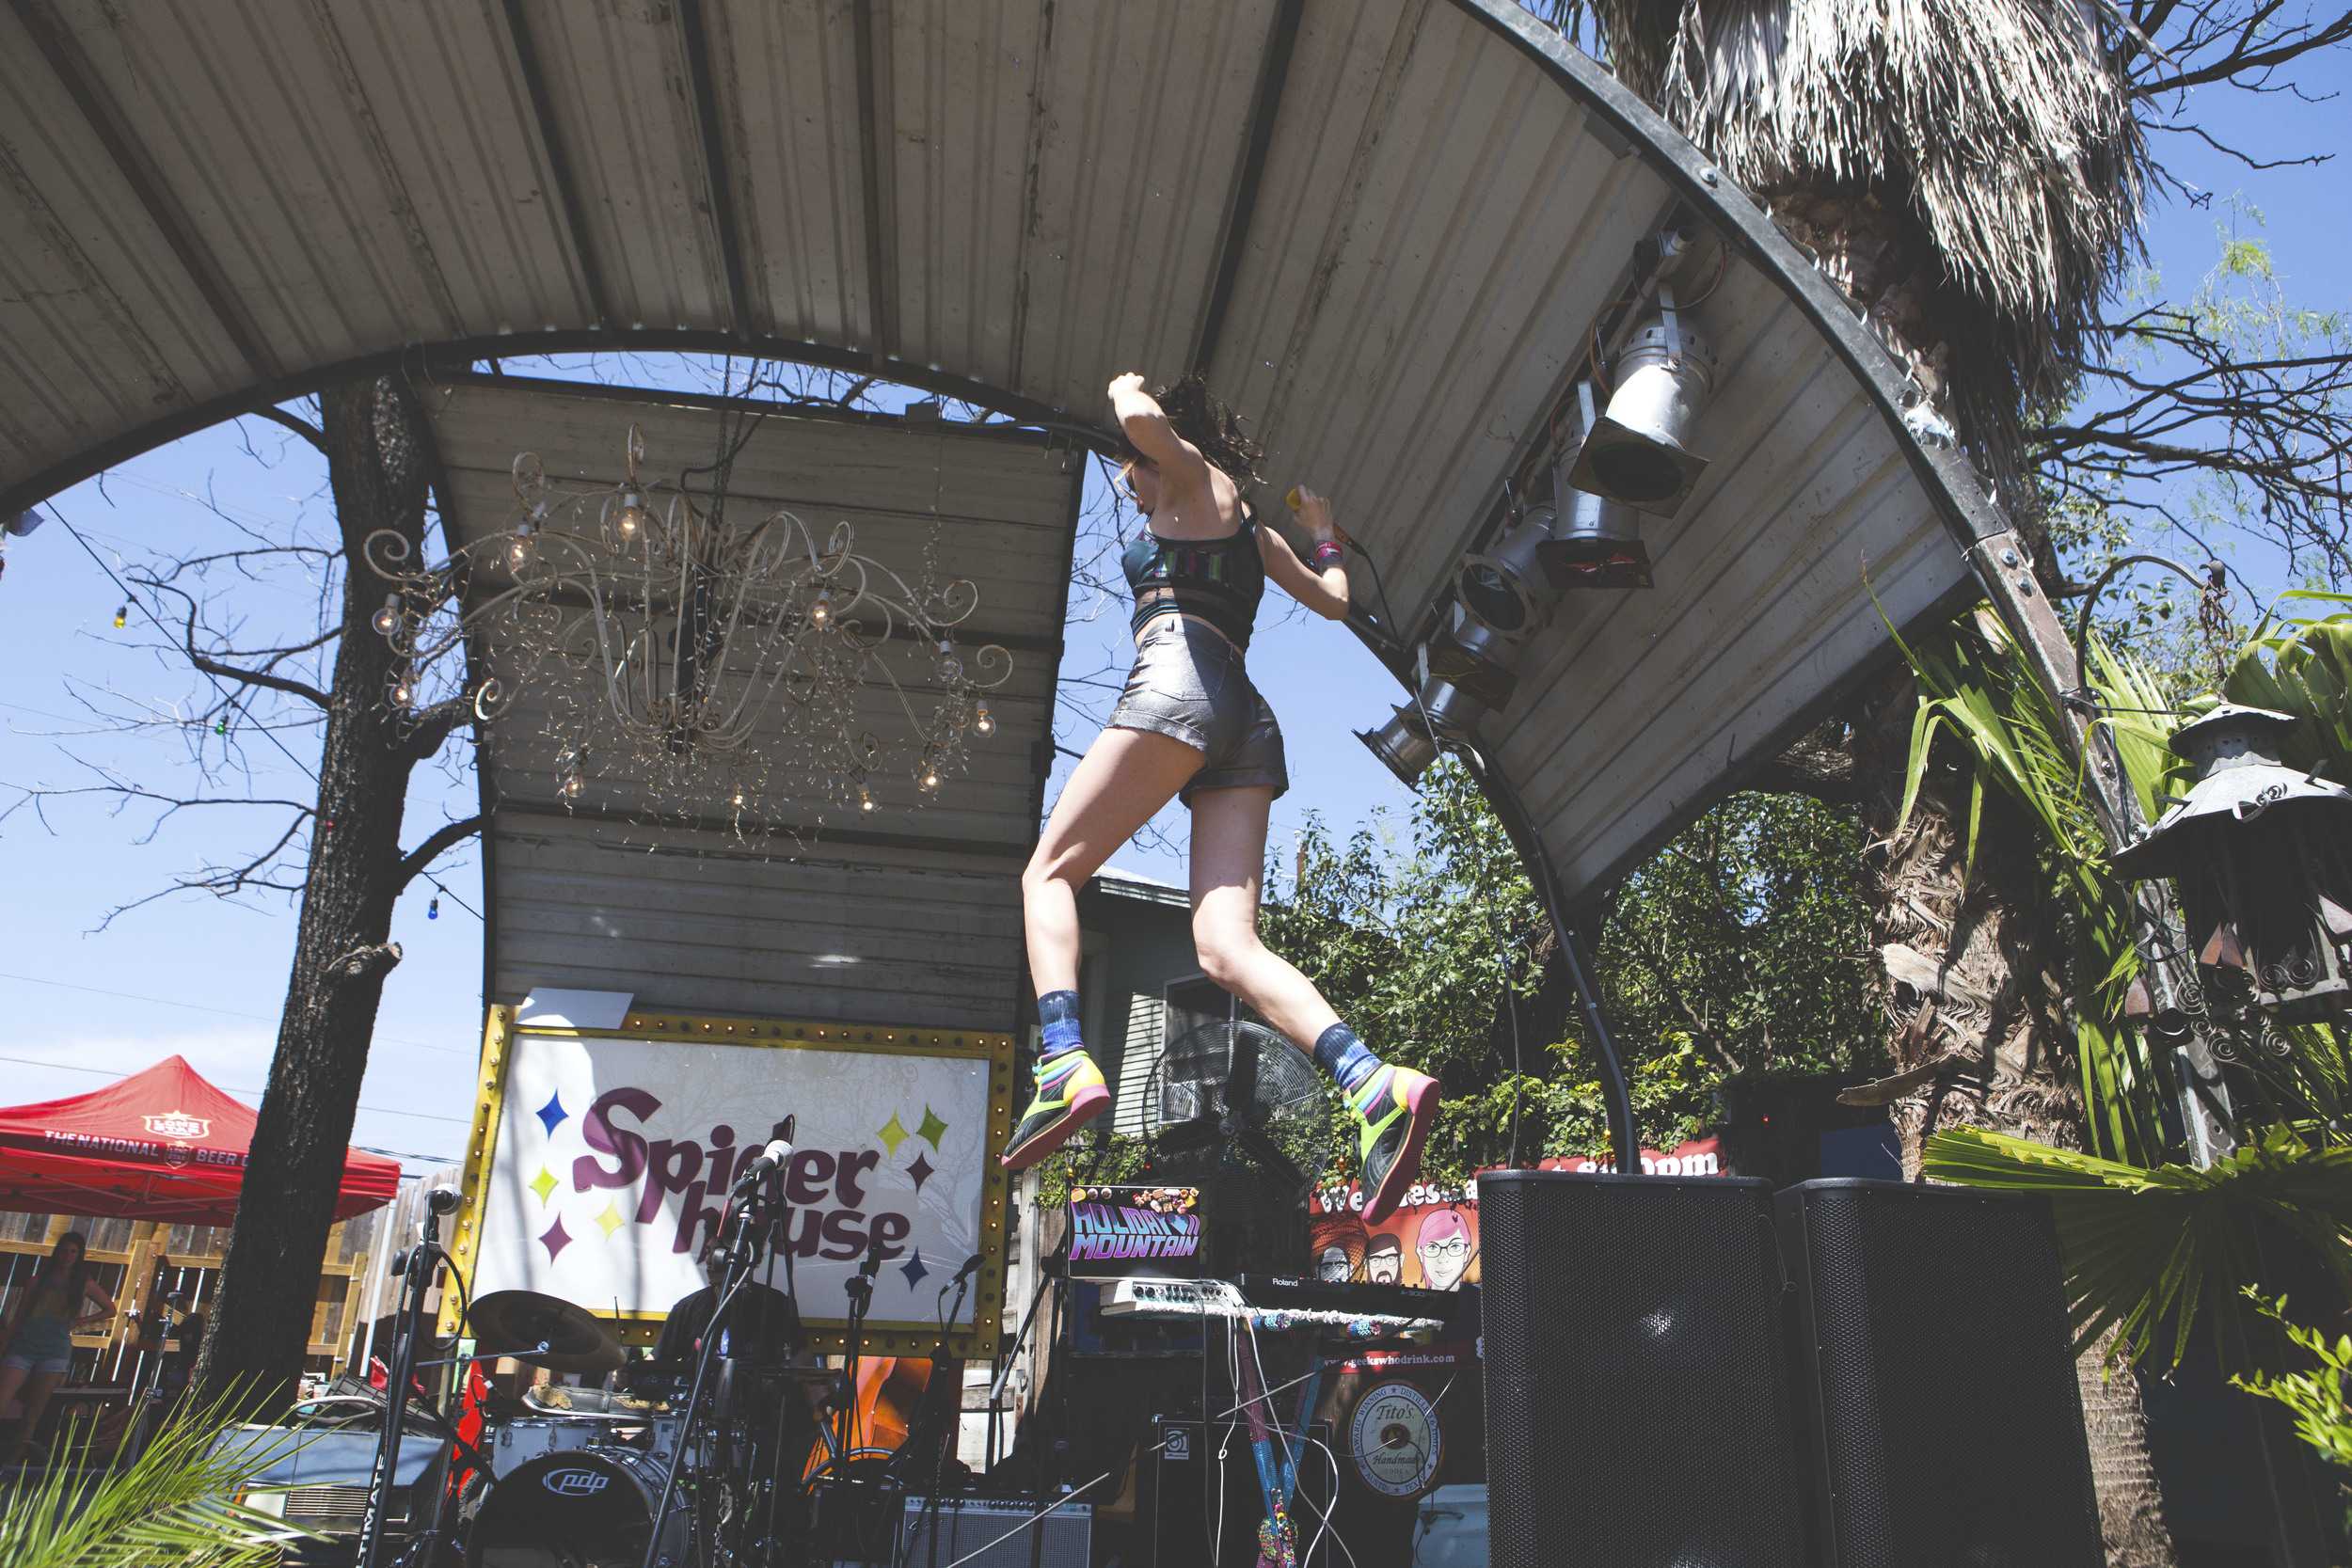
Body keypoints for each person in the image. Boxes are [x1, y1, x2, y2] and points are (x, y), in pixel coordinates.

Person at [1003, 371, 1438, 1227]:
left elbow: (1135, 416)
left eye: (1129, 468)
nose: (1128, 483)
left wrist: (1128, 389)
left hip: (1180, 681)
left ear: (1152, 451)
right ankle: (1370, 1082)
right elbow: (1335, 602)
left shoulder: (1197, 477)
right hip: (1243, 714)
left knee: (1046, 876)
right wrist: (1321, 534)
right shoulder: (1255, 530)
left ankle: (1062, 1059)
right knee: (1225, 947)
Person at [0, 1230, 117, 1465]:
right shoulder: (38, 1280)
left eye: (73, 1252)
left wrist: (81, 1321)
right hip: (24, 1346)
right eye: (64, 1250)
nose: (68, 1256)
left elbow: (110, 1308)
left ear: (79, 1255)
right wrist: (4, 1346)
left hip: (54, 1350)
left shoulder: (83, 1283)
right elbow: (19, 1316)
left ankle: (13, 1463)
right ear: (57, 1253)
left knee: (34, 1412)